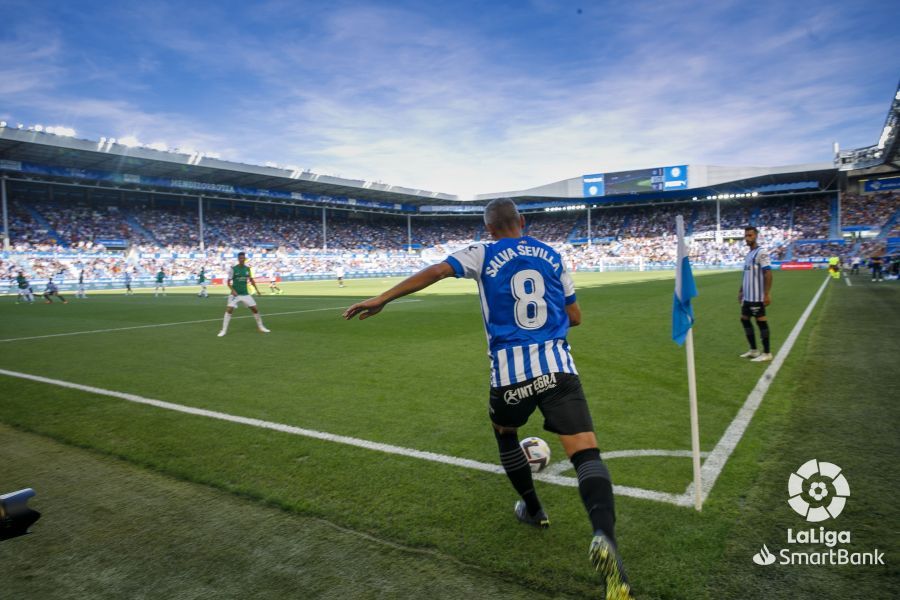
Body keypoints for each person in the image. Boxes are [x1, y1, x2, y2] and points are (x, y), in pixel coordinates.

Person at [343, 198, 633, 599]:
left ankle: (533, 510)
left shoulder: (481, 252)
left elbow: (438, 270)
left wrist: (383, 298)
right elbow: (577, 316)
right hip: (557, 366)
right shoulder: (551, 254)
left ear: (490, 229)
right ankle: (604, 537)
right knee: (586, 454)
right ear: (523, 222)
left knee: (505, 433)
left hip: (510, 372)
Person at [738, 226, 773, 362]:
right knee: (744, 319)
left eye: (750, 235)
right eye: (746, 235)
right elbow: (747, 275)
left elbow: (768, 273)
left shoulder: (761, 252)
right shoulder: (748, 255)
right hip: (747, 297)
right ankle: (753, 350)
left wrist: (766, 293)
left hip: (757, 297)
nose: (747, 238)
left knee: (761, 322)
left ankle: (767, 352)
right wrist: (741, 291)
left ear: (756, 236)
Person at [218, 252, 270, 337]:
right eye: (240, 258)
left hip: (245, 294)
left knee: (255, 309)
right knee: (229, 310)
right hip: (235, 295)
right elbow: (228, 283)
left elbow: (251, 280)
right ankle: (223, 330)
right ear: (238, 259)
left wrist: (257, 290)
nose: (242, 260)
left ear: (244, 259)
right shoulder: (233, 269)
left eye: (243, 258)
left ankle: (261, 327)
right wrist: (233, 290)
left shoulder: (247, 269)